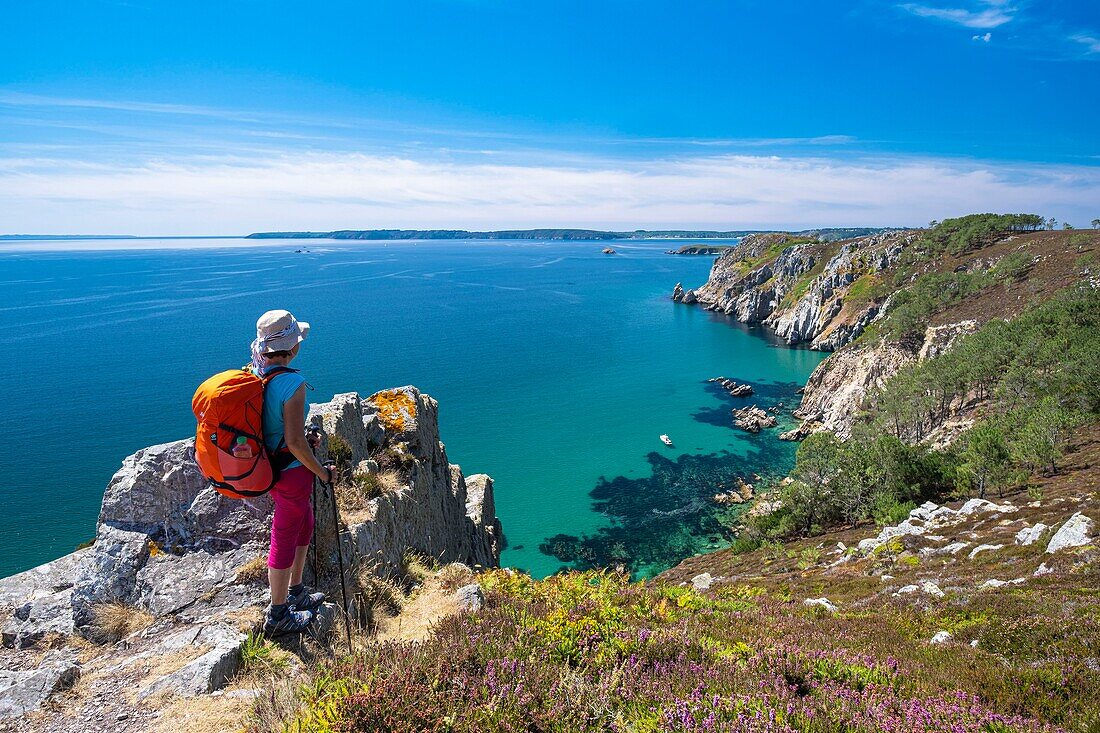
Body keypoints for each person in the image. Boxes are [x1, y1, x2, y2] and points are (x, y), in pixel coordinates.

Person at [249, 309, 333, 635]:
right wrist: (322, 473)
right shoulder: (293, 383)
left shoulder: (259, 376)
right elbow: (297, 442)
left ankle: (295, 591)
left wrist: (300, 440)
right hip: (292, 472)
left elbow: (280, 430)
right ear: (292, 346)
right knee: (284, 536)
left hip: (272, 467)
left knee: (304, 523)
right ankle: (278, 614)